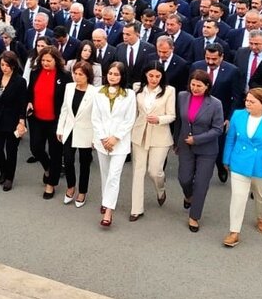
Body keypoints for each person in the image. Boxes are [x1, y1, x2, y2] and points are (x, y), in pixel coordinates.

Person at [221, 88, 262, 247]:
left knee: (261, 196)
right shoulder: (238, 115)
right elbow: (230, 139)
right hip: (239, 163)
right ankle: (234, 232)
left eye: (252, 101)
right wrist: (226, 159)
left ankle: (261, 217)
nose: (247, 103)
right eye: (247, 100)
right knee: (238, 197)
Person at [176, 70, 225, 233]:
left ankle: (194, 216)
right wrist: (176, 141)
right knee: (184, 178)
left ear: (207, 86)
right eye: (193, 84)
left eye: (199, 85)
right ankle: (188, 195)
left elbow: (218, 129)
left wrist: (197, 139)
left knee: (202, 184)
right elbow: (179, 122)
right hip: (185, 146)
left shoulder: (216, 103)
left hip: (207, 149)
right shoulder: (182, 96)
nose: (195, 88)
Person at [90, 62, 137, 227]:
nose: (112, 77)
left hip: (120, 142)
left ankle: (109, 210)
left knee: (114, 175)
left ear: (122, 76)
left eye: (116, 74)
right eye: (110, 73)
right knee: (105, 174)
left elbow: (129, 119)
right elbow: (95, 118)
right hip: (102, 141)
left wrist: (115, 138)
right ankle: (106, 200)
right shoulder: (98, 92)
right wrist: (103, 138)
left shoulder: (129, 94)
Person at [130, 61, 176, 220]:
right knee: (138, 171)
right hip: (139, 133)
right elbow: (133, 112)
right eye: (151, 75)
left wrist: (159, 119)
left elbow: (172, 115)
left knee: (154, 171)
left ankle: (161, 189)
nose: (154, 79)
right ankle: (136, 209)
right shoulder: (137, 88)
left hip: (160, 135)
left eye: (157, 76)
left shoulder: (169, 91)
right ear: (145, 74)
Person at [28, 47, 71, 200]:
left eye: (48, 60)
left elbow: (68, 99)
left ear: (56, 61)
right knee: (36, 148)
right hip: (37, 119)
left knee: (55, 153)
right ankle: (48, 168)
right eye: (43, 60)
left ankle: (51, 184)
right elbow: (30, 93)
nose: (45, 63)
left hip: (55, 121)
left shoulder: (65, 76)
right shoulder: (35, 73)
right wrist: (29, 102)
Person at [56, 61, 96, 208]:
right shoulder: (69, 87)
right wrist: (60, 129)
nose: (77, 77)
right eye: (75, 73)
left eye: (81, 74)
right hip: (69, 129)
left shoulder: (94, 92)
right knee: (67, 159)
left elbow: (96, 116)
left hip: (86, 131)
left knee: (85, 163)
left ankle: (82, 191)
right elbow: (65, 109)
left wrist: (95, 138)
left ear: (88, 76)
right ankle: (71, 186)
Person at [0, 51, 28, 191]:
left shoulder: (19, 81)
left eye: (6, 65)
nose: (4, 68)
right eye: (2, 65)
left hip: (12, 119)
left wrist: (21, 121)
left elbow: (22, 102)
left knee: (11, 150)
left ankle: (9, 177)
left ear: (13, 65)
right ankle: (4, 170)